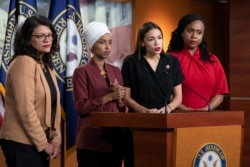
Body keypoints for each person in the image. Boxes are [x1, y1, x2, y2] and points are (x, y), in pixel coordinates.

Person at [0, 15, 61, 167]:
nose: (47, 40)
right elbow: (26, 110)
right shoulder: (24, 62)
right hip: (21, 142)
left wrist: (56, 139)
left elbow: (54, 108)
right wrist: (43, 144)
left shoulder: (45, 65)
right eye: (40, 36)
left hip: (39, 141)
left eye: (49, 35)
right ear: (27, 39)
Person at [72, 21, 126, 167]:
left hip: (115, 138)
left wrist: (120, 97)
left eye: (110, 42)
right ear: (91, 45)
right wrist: (108, 97)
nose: (108, 47)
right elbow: (81, 107)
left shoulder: (115, 71)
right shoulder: (81, 72)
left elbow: (122, 105)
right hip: (92, 141)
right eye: (102, 42)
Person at [167, 13, 229, 111]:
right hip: (176, 115)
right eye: (190, 31)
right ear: (182, 32)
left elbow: (220, 93)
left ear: (203, 35)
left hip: (206, 117)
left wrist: (206, 109)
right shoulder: (170, 59)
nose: (194, 36)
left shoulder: (212, 59)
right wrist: (185, 110)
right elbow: (165, 92)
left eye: (199, 32)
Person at [121, 21, 183, 114]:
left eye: (159, 38)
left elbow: (178, 97)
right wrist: (143, 111)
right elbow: (127, 97)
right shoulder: (131, 62)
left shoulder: (172, 61)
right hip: (139, 117)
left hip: (166, 117)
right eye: (151, 39)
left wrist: (169, 108)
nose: (157, 42)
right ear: (142, 43)